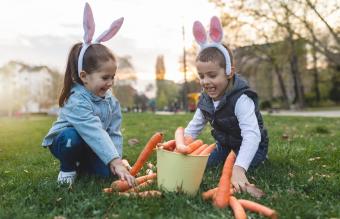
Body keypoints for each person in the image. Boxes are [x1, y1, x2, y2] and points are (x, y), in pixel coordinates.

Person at [41, 3, 135, 186]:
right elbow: (94, 131)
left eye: (113, 77)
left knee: (106, 174)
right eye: (105, 77)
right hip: (66, 141)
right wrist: (115, 161)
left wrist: (116, 161)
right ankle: (68, 167)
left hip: (90, 144)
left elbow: (113, 133)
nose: (110, 83)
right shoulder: (77, 100)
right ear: (84, 76)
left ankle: (82, 165)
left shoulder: (111, 102)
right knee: (72, 138)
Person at [184, 16, 269, 194]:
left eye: (212, 75)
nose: (206, 82)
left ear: (229, 72)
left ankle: (251, 161)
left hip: (252, 148)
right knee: (202, 163)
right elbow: (195, 126)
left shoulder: (241, 99)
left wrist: (239, 168)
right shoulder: (205, 99)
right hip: (225, 146)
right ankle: (229, 159)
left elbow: (252, 135)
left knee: (231, 168)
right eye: (201, 76)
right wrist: (181, 146)